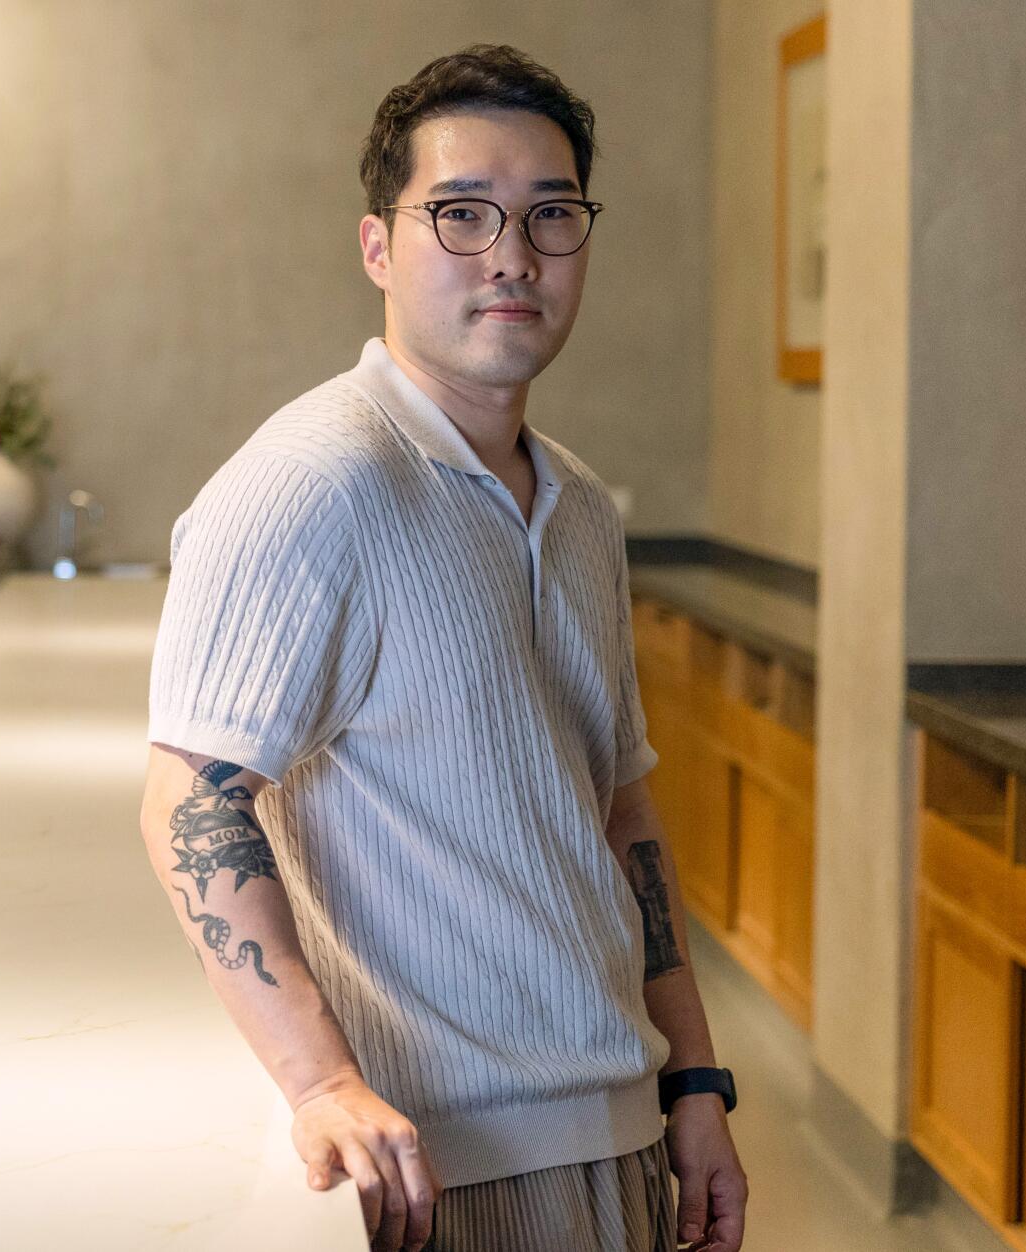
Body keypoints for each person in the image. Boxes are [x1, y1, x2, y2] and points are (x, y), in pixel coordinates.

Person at [139, 45, 748, 1252]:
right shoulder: (308, 486)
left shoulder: (576, 508)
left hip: (618, 1130)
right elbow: (188, 801)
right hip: (451, 1164)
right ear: (377, 246)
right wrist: (316, 1083)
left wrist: (690, 1081)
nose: (510, 254)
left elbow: (620, 817)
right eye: (458, 214)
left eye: (548, 216)